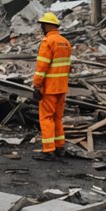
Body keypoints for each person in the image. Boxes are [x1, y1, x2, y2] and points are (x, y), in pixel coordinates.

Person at [31, 12, 72, 160]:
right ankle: (59, 146)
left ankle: (49, 150)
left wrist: (36, 85)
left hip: (49, 88)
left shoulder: (48, 42)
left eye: (43, 25)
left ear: (48, 25)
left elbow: (42, 66)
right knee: (57, 118)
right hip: (62, 87)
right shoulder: (65, 42)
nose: (42, 27)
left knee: (46, 118)